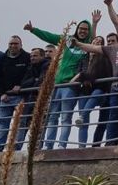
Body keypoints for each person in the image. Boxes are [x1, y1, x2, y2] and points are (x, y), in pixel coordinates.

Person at [25, 14, 97, 149]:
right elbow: (50, 37)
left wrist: (94, 23)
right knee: (52, 117)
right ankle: (48, 145)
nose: (83, 31)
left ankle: (61, 145)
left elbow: (95, 41)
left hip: (70, 86)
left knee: (65, 117)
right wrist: (33, 30)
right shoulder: (68, 40)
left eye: (86, 29)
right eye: (81, 28)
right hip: (56, 85)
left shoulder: (87, 46)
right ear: (77, 29)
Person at [0, 35, 31, 151]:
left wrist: (22, 86)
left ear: (21, 45)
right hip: (6, 96)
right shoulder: (2, 59)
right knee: (2, 122)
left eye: (16, 44)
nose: (13, 46)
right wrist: (2, 93)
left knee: (20, 122)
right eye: (11, 44)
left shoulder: (27, 57)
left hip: (21, 95)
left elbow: (30, 75)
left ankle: (16, 147)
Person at [74, 35, 113, 148]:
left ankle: (82, 116)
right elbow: (78, 74)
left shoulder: (104, 57)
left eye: (100, 41)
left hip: (99, 89)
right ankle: (82, 147)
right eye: (95, 40)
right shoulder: (83, 59)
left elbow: (100, 75)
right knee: (83, 124)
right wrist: (83, 76)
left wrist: (84, 76)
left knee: (99, 120)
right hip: (84, 90)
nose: (97, 42)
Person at [16, 47, 49, 149]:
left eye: (35, 55)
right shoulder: (30, 67)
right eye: (31, 56)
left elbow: (42, 81)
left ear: (42, 56)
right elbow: (23, 83)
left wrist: (33, 82)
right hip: (29, 100)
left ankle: (34, 149)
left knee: (38, 126)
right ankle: (16, 147)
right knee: (22, 124)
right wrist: (34, 80)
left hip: (40, 101)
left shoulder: (47, 65)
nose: (32, 58)